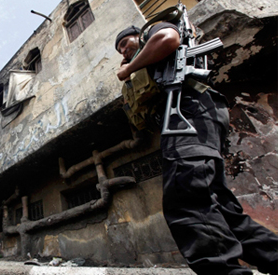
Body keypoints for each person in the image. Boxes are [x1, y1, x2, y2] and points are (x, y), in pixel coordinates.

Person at [115, 23, 278, 275]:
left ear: (140, 36)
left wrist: (129, 69)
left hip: (188, 111)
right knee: (219, 207)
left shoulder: (152, 34)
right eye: (120, 50)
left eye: (126, 43)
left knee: (186, 196)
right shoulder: (144, 58)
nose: (123, 51)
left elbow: (168, 39)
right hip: (193, 115)